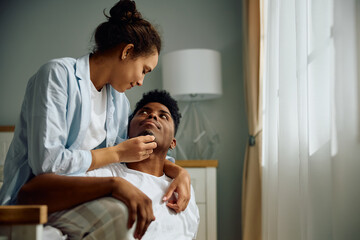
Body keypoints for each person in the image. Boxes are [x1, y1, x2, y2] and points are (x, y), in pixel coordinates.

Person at [0, 0, 190, 231]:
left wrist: (180, 173)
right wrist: (116, 154)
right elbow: (48, 164)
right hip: (43, 197)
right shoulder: (57, 76)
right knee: (121, 217)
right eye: (144, 70)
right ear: (127, 51)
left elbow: (135, 155)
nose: (141, 81)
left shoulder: (118, 102)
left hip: (88, 193)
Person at [18, 90, 199, 240]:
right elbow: (30, 193)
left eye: (163, 116)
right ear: (128, 131)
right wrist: (113, 185)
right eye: (144, 111)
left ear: (172, 143)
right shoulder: (105, 173)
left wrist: (181, 173)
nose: (152, 115)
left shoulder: (182, 191)